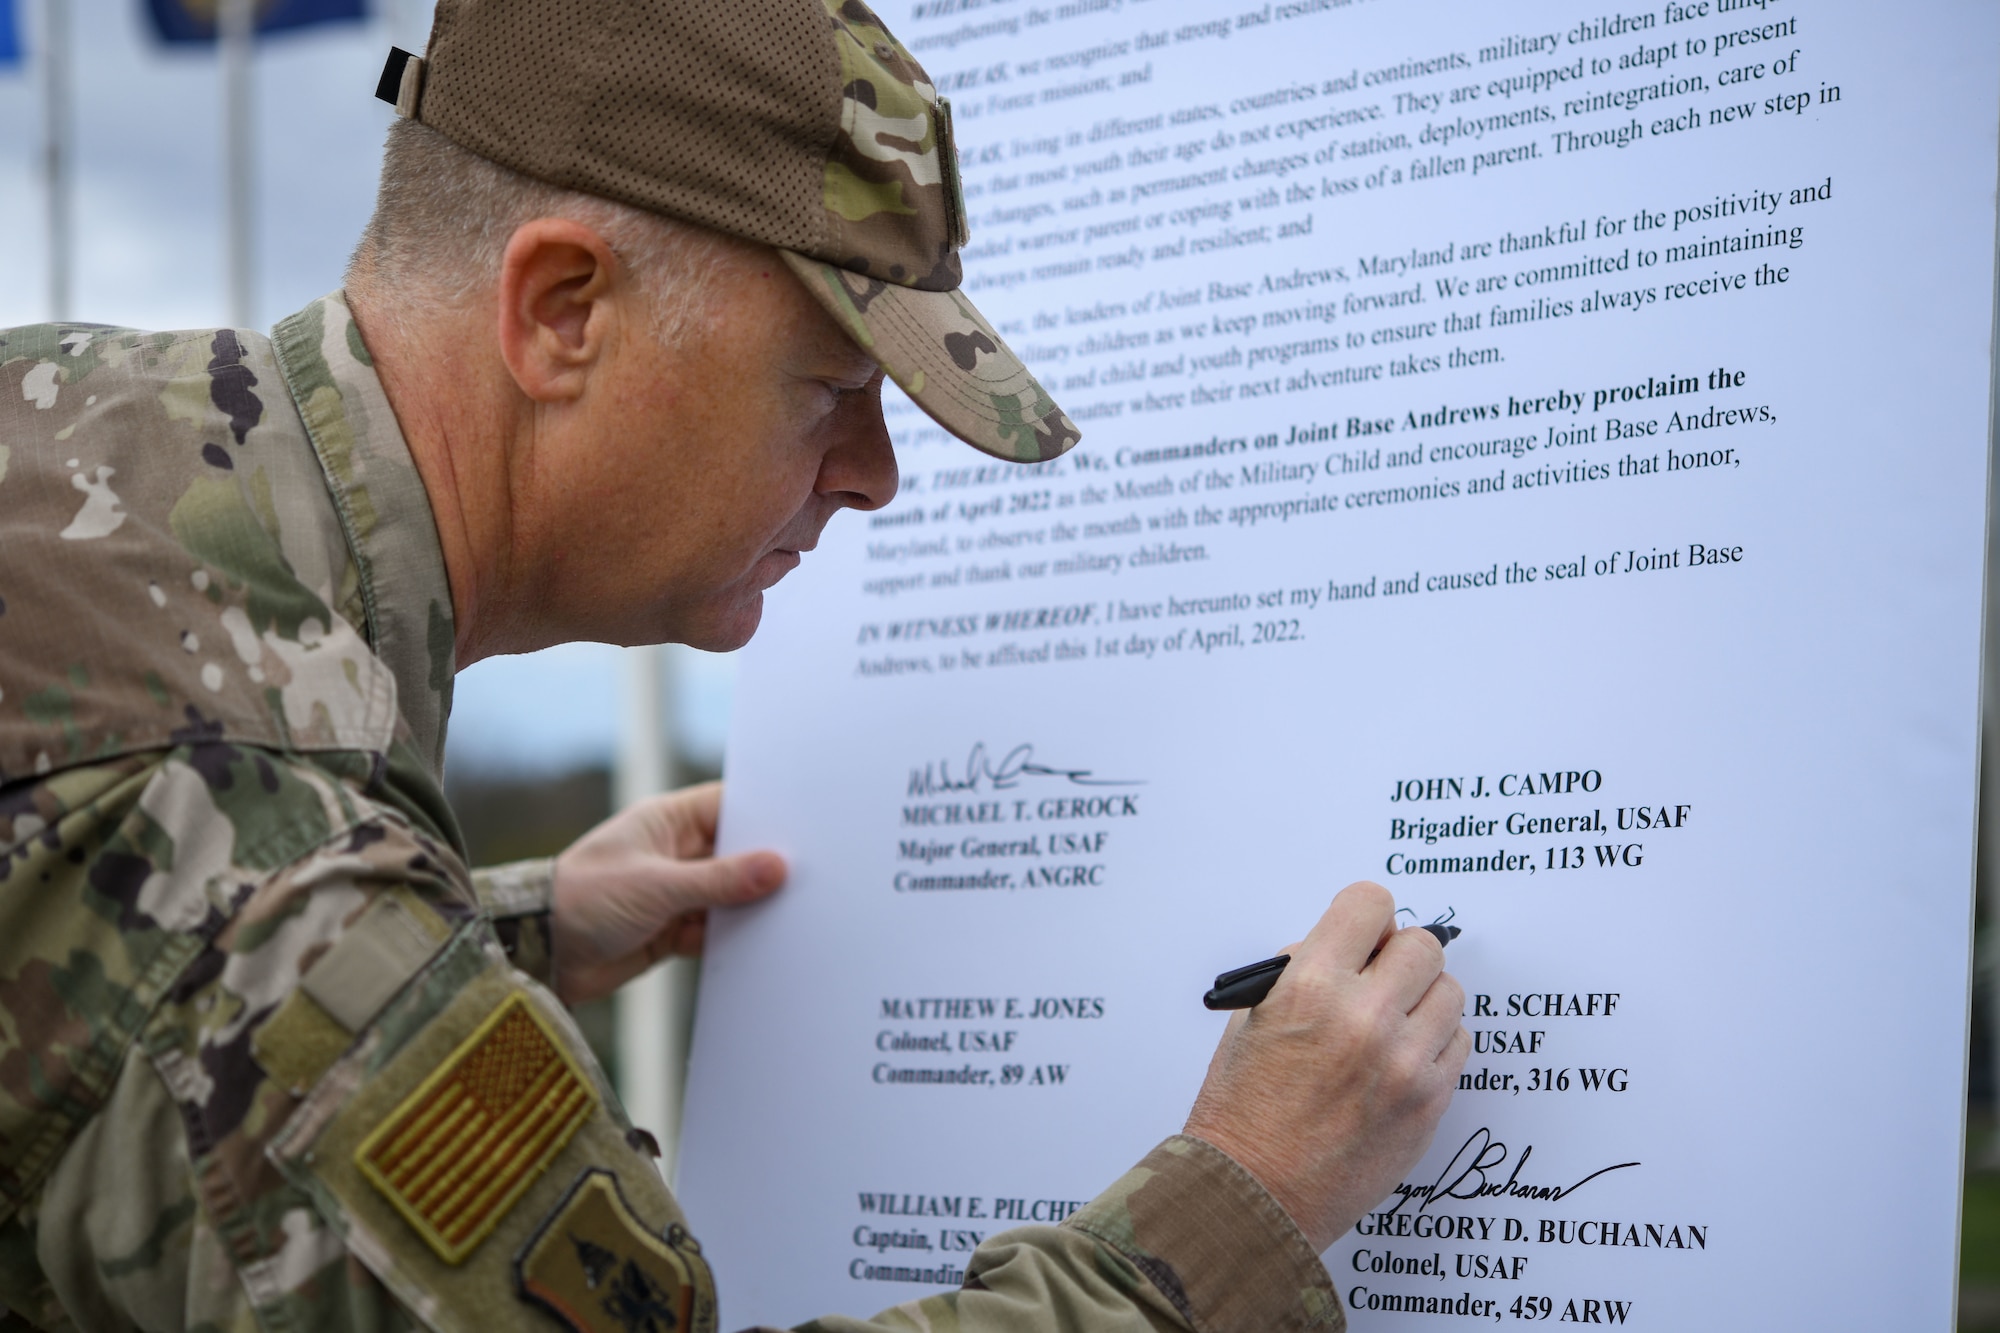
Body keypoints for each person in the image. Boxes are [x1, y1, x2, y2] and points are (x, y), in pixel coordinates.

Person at [0, 0, 1470, 1328]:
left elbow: (146, 967)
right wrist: (1239, 1203)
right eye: (831, 388)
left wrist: (509, 930)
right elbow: (239, 901)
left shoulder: (73, 425)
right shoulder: (266, 844)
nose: (875, 473)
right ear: (561, 310)